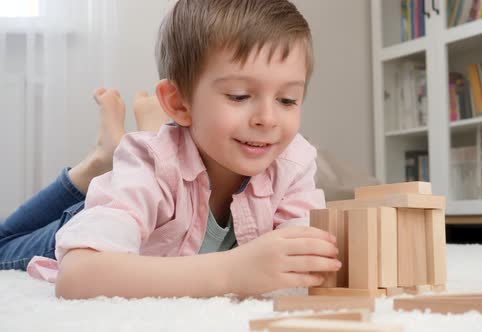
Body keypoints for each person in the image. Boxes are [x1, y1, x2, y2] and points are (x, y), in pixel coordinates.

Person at [0, 0, 340, 299]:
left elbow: (303, 253)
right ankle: (99, 163)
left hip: (148, 191)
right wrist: (231, 271)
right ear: (178, 103)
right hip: (95, 219)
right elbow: (76, 276)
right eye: (239, 95)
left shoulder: (293, 160)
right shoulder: (152, 167)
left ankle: (118, 152)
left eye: (287, 99)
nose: (268, 119)